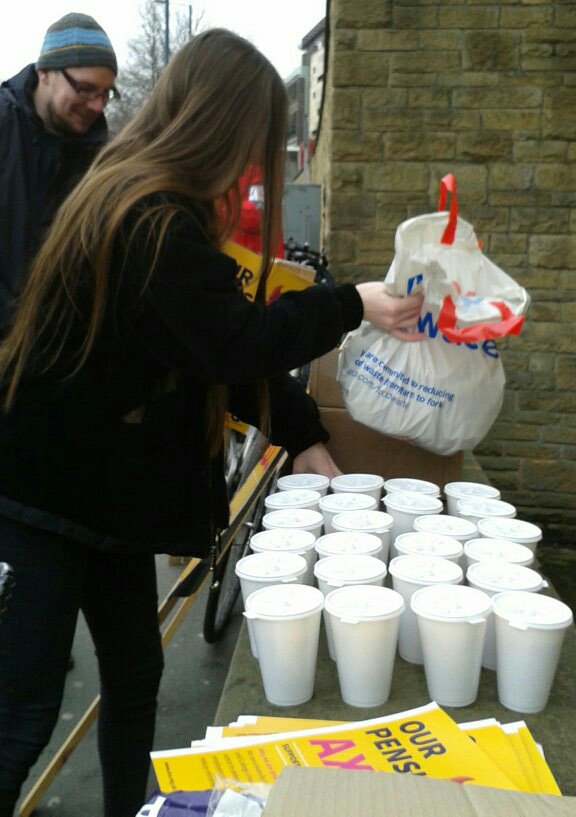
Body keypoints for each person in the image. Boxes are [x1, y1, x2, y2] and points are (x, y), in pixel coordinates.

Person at [0, 29, 423, 817]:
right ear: (222, 124)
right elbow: (234, 342)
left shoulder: (146, 198)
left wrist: (303, 438)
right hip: (45, 496)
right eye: (254, 141)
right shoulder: (149, 216)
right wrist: (352, 302)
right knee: (19, 714)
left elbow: (216, 341)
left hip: (104, 500)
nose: (255, 163)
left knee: (132, 682)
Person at [0, 12, 119, 330]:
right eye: (85, 88)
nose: (97, 106)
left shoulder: (103, 159)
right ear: (44, 72)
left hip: (57, 356)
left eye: (106, 93)